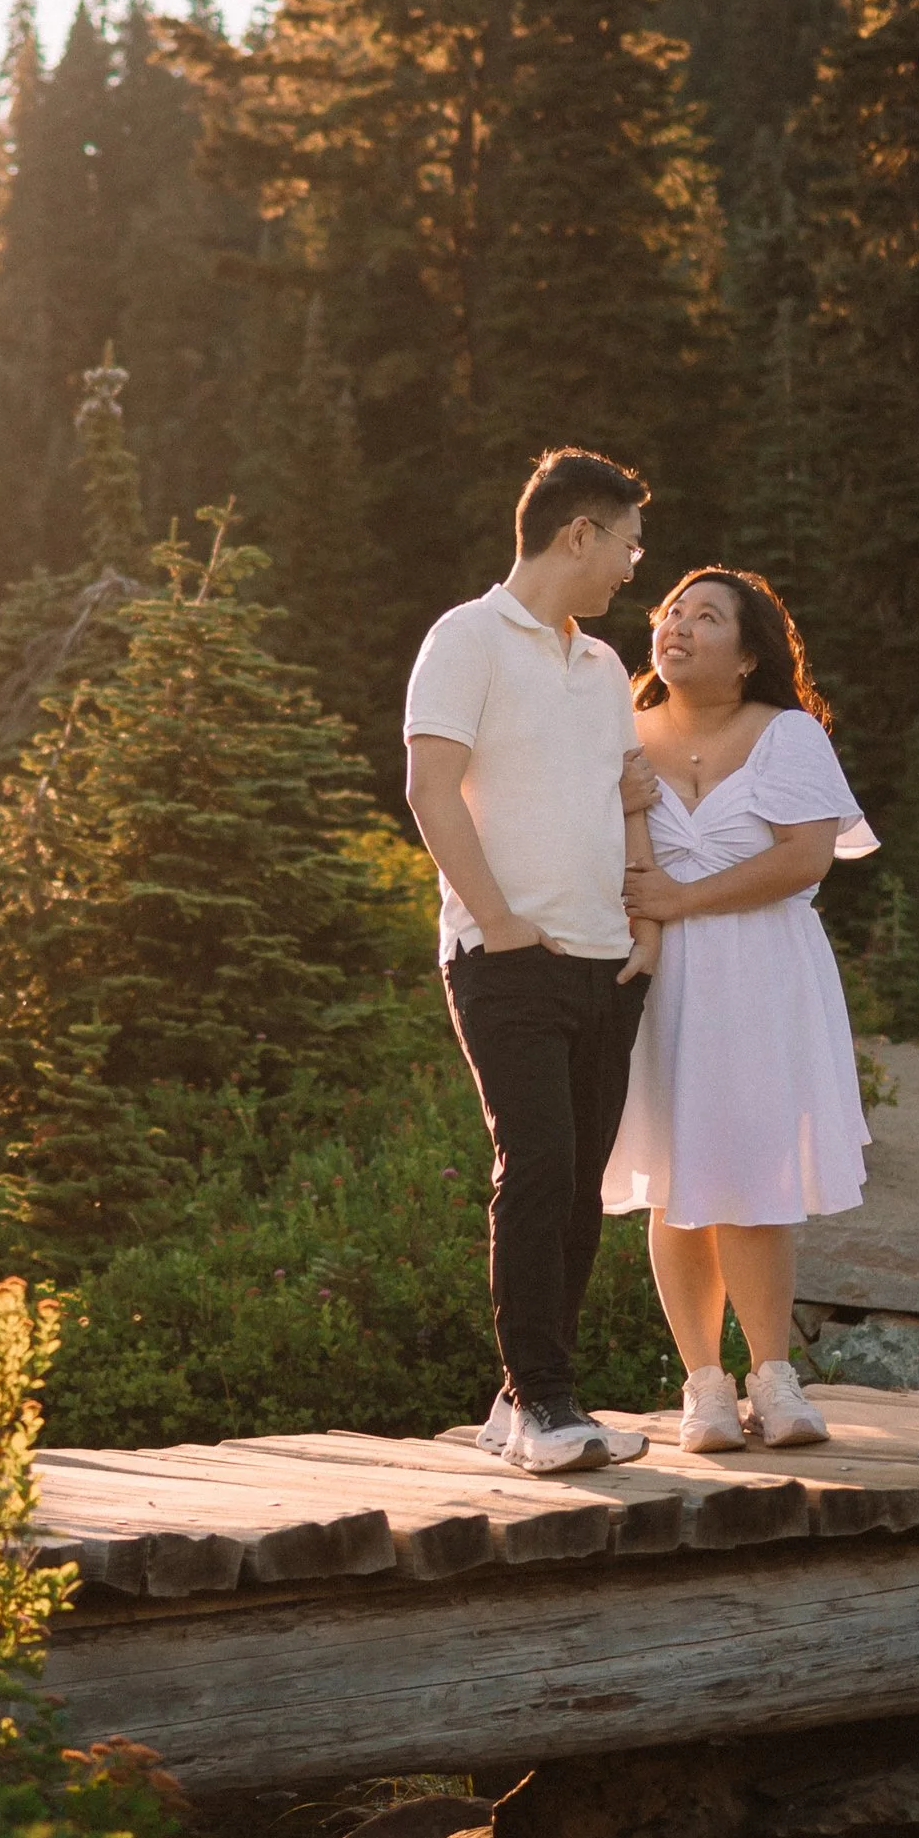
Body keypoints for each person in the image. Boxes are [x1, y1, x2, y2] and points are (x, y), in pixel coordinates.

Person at [404, 448, 657, 1477]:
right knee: (538, 1166)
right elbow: (429, 790)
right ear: (577, 534)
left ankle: (523, 1402)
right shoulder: (464, 639)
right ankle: (549, 1410)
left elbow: (627, 794)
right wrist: (499, 922)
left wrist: (644, 927)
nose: (635, 566)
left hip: (608, 962)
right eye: (630, 543)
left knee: (579, 1186)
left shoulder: (599, 667)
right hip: (506, 958)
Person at [603, 566, 877, 1454]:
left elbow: (804, 860)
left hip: (760, 976)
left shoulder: (786, 734)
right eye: (672, 611)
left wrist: (680, 900)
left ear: (748, 651)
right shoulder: (620, 737)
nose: (678, 626)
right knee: (674, 1184)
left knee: (756, 1180)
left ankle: (775, 1377)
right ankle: (704, 1388)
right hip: (655, 983)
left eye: (706, 617)